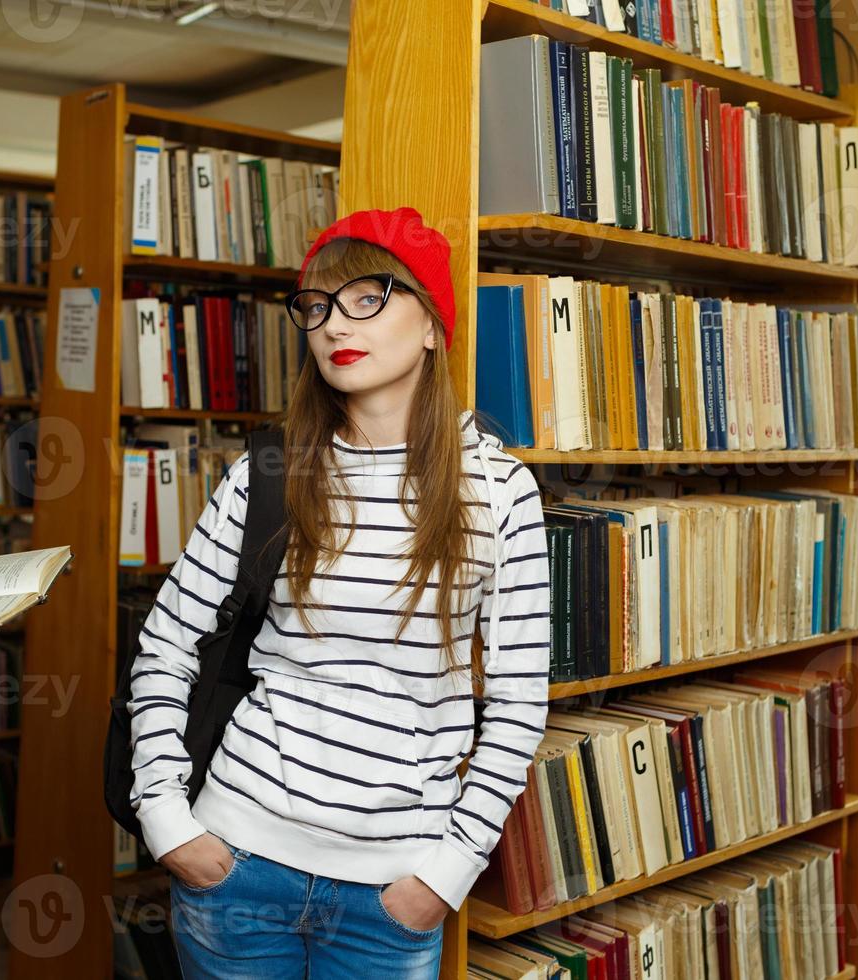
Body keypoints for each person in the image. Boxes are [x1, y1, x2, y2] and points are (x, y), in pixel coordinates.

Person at [128, 206, 551, 978]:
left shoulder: (498, 488)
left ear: (431, 325)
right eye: (316, 307)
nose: (331, 326)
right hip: (237, 863)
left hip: (393, 891)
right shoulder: (273, 472)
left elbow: (521, 702)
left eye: (367, 298)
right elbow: (166, 643)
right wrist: (167, 821)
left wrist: (444, 875)